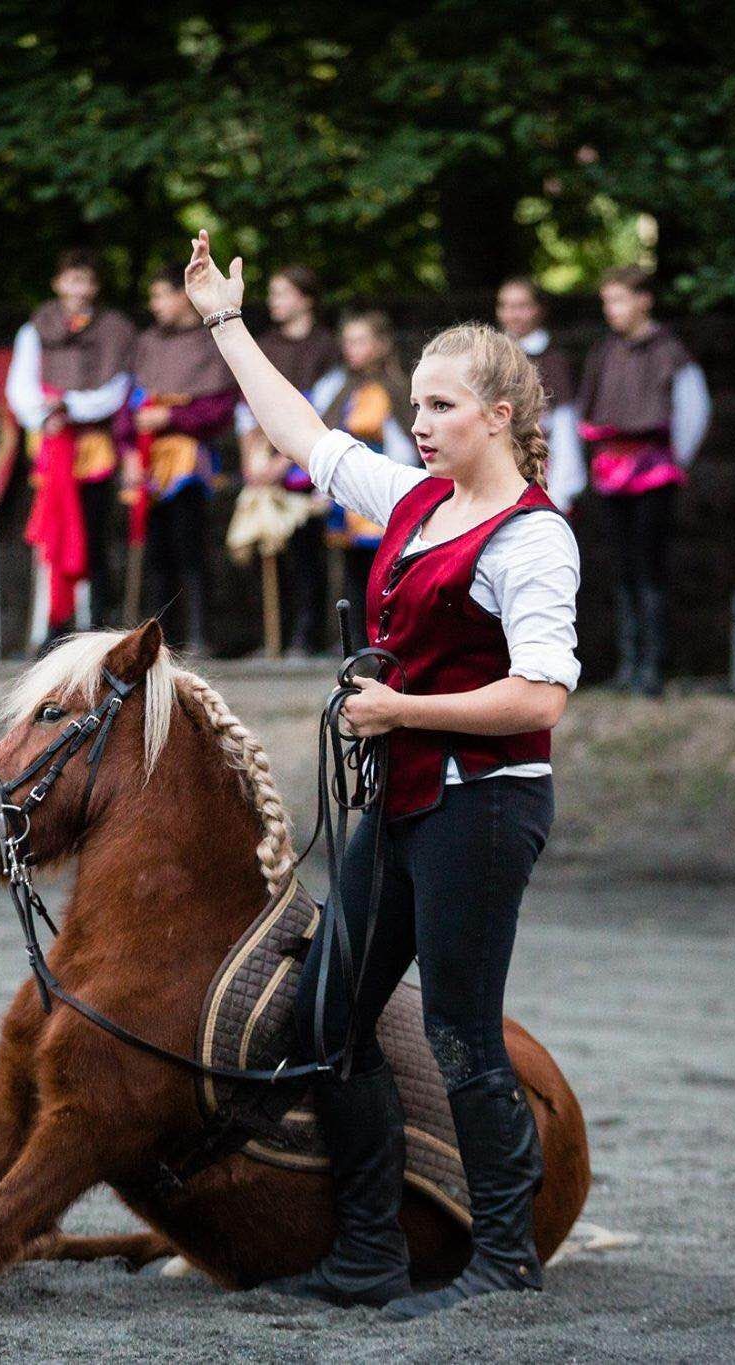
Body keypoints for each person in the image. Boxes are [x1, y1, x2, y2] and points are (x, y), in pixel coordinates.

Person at [185, 230, 580, 1318]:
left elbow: (541, 696)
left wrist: (400, 707)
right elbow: (301, 433)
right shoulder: (413, 502)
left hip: (484, 809)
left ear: (498, 414)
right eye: (415, 406)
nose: (418, 424)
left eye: (442, 407)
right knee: (328, 1021)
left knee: (457, 1027)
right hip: (403, 803)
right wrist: (224, 319)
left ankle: (504, 1263)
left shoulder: (533, 541)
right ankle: (368, 1253)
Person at [575, 265, 710, 695]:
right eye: (607, 302)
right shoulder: (605, 352)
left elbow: (694, 411)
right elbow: (588, 410)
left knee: (651, 568)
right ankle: (628, 665)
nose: (611, 310)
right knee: (621, 568)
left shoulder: (670, 351)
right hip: (612, 475)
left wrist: (672, 462)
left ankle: (653, 667)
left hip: (654, 473)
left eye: (618, 300)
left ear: (643, 300)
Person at [6, 248, 137, 643]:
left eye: (86, 280)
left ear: (95, 286)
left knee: (94, 537)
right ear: (58, 283)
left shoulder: (115, 330)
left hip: (93, 450)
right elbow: (20, 386)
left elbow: (117, 390)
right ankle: (54, 626)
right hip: (51, 449)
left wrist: (71, 406)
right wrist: (45, 414)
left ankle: (96, 623)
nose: (78, 288)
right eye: (71, 279)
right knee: (52, 534)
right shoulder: (35, 328)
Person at [117, 265, 238, 651]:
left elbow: (220, 408)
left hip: (189, 462)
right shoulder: (148, 342)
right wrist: (129, 451)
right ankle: (157, 641)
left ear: (181, 295)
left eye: (160, 296)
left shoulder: (209, 342)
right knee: (155, 554)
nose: (154, 305)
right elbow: (128, 404)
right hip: (149, 462)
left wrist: (172, 416)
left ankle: (201, 636)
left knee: (191, 549)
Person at [240, 265, 340, 654]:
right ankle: (272, 638)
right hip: (265, 462)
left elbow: (325, 408)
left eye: (283, 293)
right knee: (268, 550)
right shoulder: (263, 344)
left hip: (303, 462)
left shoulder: (327, 348)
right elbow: (248, 404)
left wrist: (287, 457)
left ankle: (306, 634)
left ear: (306, 299)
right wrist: (254, 458)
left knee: (306, 552)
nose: (274, 301)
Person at [311, 310, 419, 628]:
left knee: (387, 571)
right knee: (353, 574)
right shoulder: (340, 387)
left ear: (381, 344)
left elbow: (405, 442)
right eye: (348, 341)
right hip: (348, 493)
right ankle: (356, 642)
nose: (351, 349)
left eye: (360, 341)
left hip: (387, 486)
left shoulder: (398, 387)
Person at [495, 277, 586, 513]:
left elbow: (565, 426)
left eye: (521, 306)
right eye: (505, 306)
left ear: (538, 310)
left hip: (542, 468)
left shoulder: (554, 361)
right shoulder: (489, 358)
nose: (512, 314)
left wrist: (561, 489)